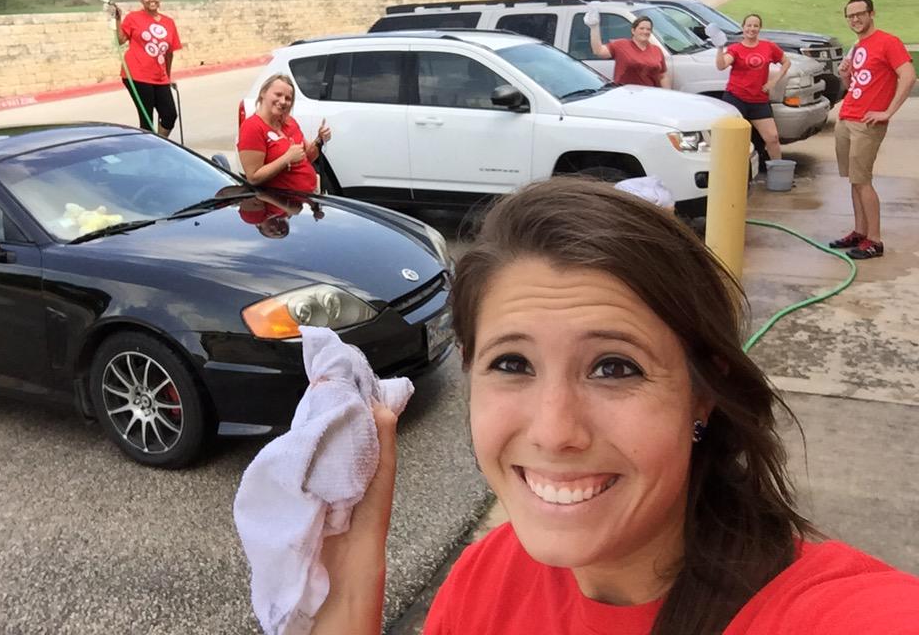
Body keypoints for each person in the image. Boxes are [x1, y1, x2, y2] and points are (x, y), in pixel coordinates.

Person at [310, 177, 919, 635]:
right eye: (512, 363)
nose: (554, 431)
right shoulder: (486, 577)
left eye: (615, 367)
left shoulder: (830, 613)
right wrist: (348, 599)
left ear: (702, 397)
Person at [829, 0, 917, 260]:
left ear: (871, 13)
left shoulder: (888, 42)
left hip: (867, 123)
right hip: (847, 117)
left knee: (863, 181)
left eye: (860, 13)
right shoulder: (858, 46)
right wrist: (845, 75)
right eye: (850, 15)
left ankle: (875, 240)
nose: (855, 19)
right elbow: (856, 85)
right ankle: (859, 231)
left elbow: (909, 76)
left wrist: (888, 111)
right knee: (854, 180)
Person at [712, 14, 791, 163]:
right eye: (749, 25)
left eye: (755, 26)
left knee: (772, 138)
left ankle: (778, 171)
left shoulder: (768, 46)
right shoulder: (735, 49)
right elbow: (721, 65)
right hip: (736, 98)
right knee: (733, 140)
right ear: (743, 27)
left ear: (760, 28)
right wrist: (720, 47)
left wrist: (773, 82)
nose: (752, 29)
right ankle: (731, 171)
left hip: (759, 100)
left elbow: (786, 62)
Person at [238, 73, 331, 192]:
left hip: (307, 198)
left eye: (288, 98)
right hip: (281, 205)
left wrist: (320, 139)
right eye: (278, 94)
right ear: (263, 93)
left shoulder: (289, 122)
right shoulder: (252, 127)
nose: (283, 101)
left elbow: (306, 157)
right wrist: (286, 158)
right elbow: (253, 177)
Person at [112, 0, 182, 137]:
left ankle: (158, 143)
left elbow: (169, 53)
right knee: (147, 119)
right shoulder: (133, 18)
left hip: (159, 77)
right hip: (136, 74)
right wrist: (117, 19)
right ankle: (149, 152)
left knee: (170, 115)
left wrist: (168, 77)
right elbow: (120, 40)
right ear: (141, 0)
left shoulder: (168, 22)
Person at [585, 8, 671, 88]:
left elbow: (663, 75)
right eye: (641, 28)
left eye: (648, 29)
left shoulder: (656, 50)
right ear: (633, 30)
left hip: (650, 95)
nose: (645, 31)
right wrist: (594, 27)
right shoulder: (621, 45)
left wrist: (667, 95)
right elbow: (598, 51)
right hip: (627, 95)